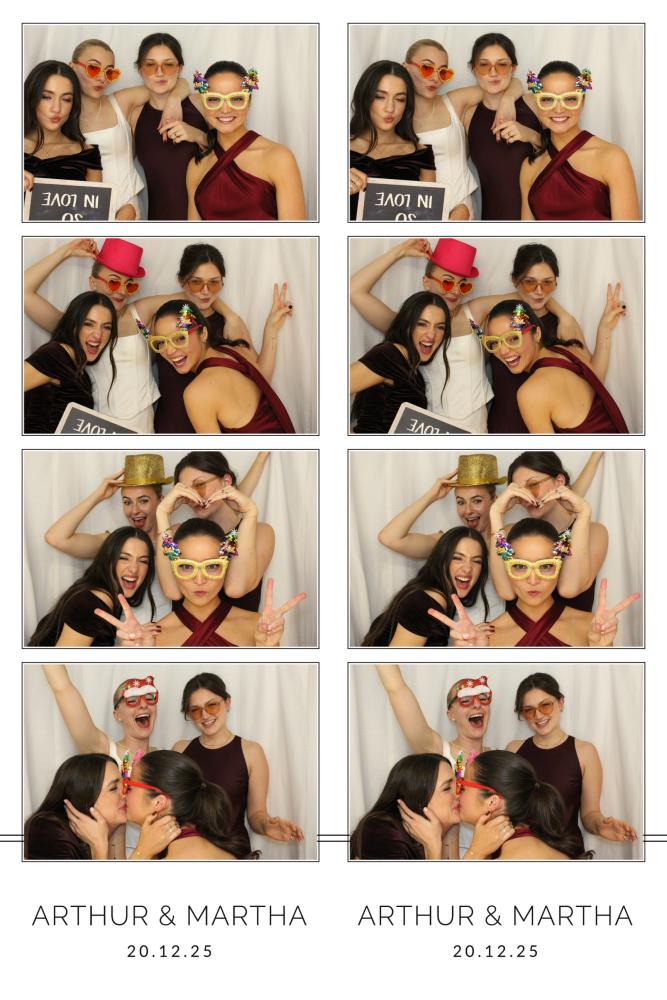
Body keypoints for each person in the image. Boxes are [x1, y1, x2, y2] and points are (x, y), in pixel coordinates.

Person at [25, 238, 257, 432]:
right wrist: (66, 251)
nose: (121, 291)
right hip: (96, 427)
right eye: (113, 282)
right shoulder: (76, 325)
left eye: (130, 285)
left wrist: (230, 315)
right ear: (92, 281)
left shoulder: (140, 314)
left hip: (142, 428)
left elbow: (194, 296)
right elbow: (23, 291)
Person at [350, 238, 582, 432]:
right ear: (427, 282)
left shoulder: (474, 314)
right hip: (428, 428)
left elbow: (528, 297)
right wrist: (400, 251)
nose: (454, 291)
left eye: (463, 285)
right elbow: (355, 291)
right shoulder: (409, 325)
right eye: (447, 282)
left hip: (475, 428)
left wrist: (564, 315)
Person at [96, 519, 306, 648]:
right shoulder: (152, 638)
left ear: (226, 566)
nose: (199, 580)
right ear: (173, 568)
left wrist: (268, 650)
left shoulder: (258, 627)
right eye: (187, 567)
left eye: (212, 566)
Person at [432, 518, 639, 647]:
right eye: (520, 566)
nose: (533, 580)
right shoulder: (485, 638)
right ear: (507, 568)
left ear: (559, 566)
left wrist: (602, 648)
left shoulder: (591, 627)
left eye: (545, 566)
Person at [174, 672, 304, 856]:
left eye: (212, 705)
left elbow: (256, 814)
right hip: (186, 856)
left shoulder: (251, 752)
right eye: (195, 710)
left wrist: (267, 826)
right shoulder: (180, 750)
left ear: (227, 703)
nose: (205, 715)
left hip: (232, 854)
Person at [507, 672, 637, 855]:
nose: (538, 715)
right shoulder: (514, 750)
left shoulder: (585, 752)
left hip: (566, 854)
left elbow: (590, 813)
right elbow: (505, 809)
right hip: (520, 855)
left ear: (561, 702)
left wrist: (600, 825)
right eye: (529, 710)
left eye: (545, 705)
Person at [374, 665, 494, 853]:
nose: (477, 704)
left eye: (483, 697)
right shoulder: (438, 752)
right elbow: (397, 689)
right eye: (465, 700)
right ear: (450, 715)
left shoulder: (502, 757)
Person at [377, 454, 507, 619]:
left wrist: (497, 516)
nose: (468, 510)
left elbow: (509, 568)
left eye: (477, 501)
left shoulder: (507, 537)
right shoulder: (448, 542)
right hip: (450, 632)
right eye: (461, 502)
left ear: (495, 500)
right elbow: (389, 538)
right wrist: (431, 496)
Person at [481, 299, 628, 433]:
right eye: (494, 342)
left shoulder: (530, 393)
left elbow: (549, 453)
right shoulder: (566, 350)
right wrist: (604, 331)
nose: (503, 351)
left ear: (537, 334)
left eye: (513, 338)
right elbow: (596, 379)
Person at [147, 300, 294, 433]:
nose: (169, 351)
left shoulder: (197, 393)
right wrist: (270, 331)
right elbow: (262, 378)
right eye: (161, 342)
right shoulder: (232, 350)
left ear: (203, 334)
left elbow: (216, 453)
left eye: (180, 338)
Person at [153, 243, 256, 433]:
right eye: (196, 282)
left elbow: (257, 377)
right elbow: (131, 311)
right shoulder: (162, 322)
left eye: (214, 282)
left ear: (203, 334)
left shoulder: (230, 326)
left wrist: (270, 332)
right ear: (181, 280)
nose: (206, 291)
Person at [155, 451, 273, 613]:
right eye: (185, 492)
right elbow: (173, 591)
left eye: (199, 485)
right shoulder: (175, 534)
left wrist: (250, 513)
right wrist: (162, 513)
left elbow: (235, 588)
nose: (194, 497)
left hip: (241, 629)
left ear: (226, 482)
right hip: (183, 629)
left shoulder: (260, 532)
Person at [489, 451, 607, 612]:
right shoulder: (510, 533)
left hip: (575, 628)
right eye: (519, 491)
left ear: (559, 482)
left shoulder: (593, 532)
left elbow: (568, 588)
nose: (527, 497)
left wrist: (583, 513)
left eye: (533, 485)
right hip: (517, 627)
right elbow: (506, 592)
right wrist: (496, 513)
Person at [521, 62, 640, 221]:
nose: (558, 109)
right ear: (537, 103)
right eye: (548, 99)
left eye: (570, 99)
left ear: (583, 101)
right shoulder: (530, 167)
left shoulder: (613, 158)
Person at [187, 62, 306, 221]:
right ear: (204, 103)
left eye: (236, 99)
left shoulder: (279, 158)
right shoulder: (196, 167)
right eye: (214, 99)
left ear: (249, 102)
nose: (225, 109)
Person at [350, 753, 511, 860]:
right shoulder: (380, 830)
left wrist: (450, 833)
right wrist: (474, 852)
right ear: (419, 797)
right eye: (447, 788)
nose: (458, 794)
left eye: (458, 786)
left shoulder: (441, 829)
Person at [362, 526, 491, 647]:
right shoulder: (426, 605)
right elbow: (394, 661)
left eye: (476, 561)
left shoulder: (434, 595)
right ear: (441, 560)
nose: (468, 568)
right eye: (457, 558)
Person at [29, 526, 156, 647]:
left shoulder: (107, 596)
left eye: (143, 561)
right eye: (124, 558)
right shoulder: (93, 604)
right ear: (108, 559)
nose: (134, 569)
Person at [458, 750, 594, 859]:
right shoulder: (538, 844)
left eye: (463, 788)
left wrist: (474, 853)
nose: (456, 793)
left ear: (492, 802)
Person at [129, 33, 208, 220]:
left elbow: (231, 155)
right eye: (150, 65)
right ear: (139, 69)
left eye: (169, 64)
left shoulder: (201, 104)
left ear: (180, 68)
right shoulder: (134, 116)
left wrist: (197, 135)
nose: (159, 72)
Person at [464, 33, 542, 220]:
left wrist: (531, 136)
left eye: (502, 65)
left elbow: (565, 156)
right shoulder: (468, 116)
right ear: (473, 69)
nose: (493, 72)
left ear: (513, 68)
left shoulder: (535, 104)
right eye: (484, 65)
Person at [124, 750, 254, 860]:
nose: (122, 793)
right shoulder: (204, 845)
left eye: (129, 787)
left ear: (158, 802)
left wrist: (141, 852)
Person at [350, 291, 448, 433]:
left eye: (440, 327)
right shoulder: (389, 355)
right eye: (422, 324)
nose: (432, 334)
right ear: (406, 325)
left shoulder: (414, 371)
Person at [349, 61, 435, 220]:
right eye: (380, 97)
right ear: (365, 97)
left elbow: (428, 219)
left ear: (407, 104)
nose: (390, 108)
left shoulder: (421, 154)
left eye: (400, 99)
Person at [24, 291, 117, 433]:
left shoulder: (79, 369)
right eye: (88, 324)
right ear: (73, 324)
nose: (98, 335)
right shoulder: (55, 355)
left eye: (106, 327)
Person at [24, 754, 127, 860]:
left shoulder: (107, 827)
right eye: (113, 788)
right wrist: (98, 846)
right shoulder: (49, 828)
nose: (125, 794)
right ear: (85, 795)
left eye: (124, 785)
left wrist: (117, 828)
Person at [24, 61, 102, 194]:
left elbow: (96, 206)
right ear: (31, 97)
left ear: (73, 104)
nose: (56, 108)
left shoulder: (87, 154)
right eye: (46, 97)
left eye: (66, 99)